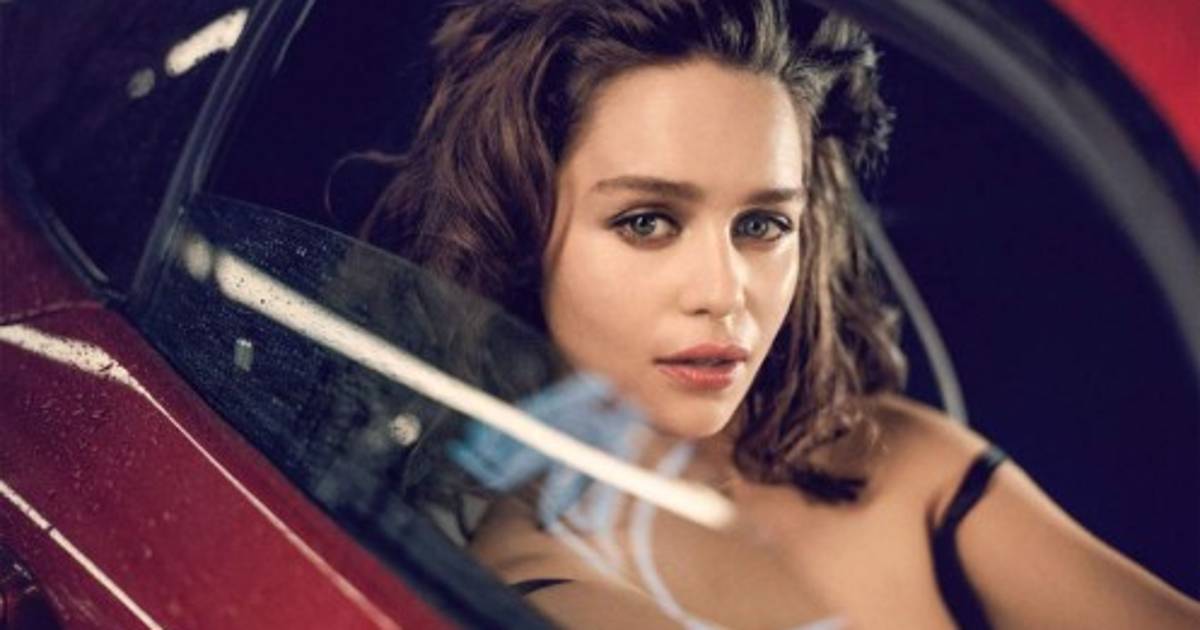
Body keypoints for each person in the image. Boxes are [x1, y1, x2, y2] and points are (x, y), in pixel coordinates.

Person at [358, 0, 1200, 627]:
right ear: (521, 230)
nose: (725, 292)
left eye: (762, 225)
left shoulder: (898, 459)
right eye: (647, 221)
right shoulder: (527, 582)